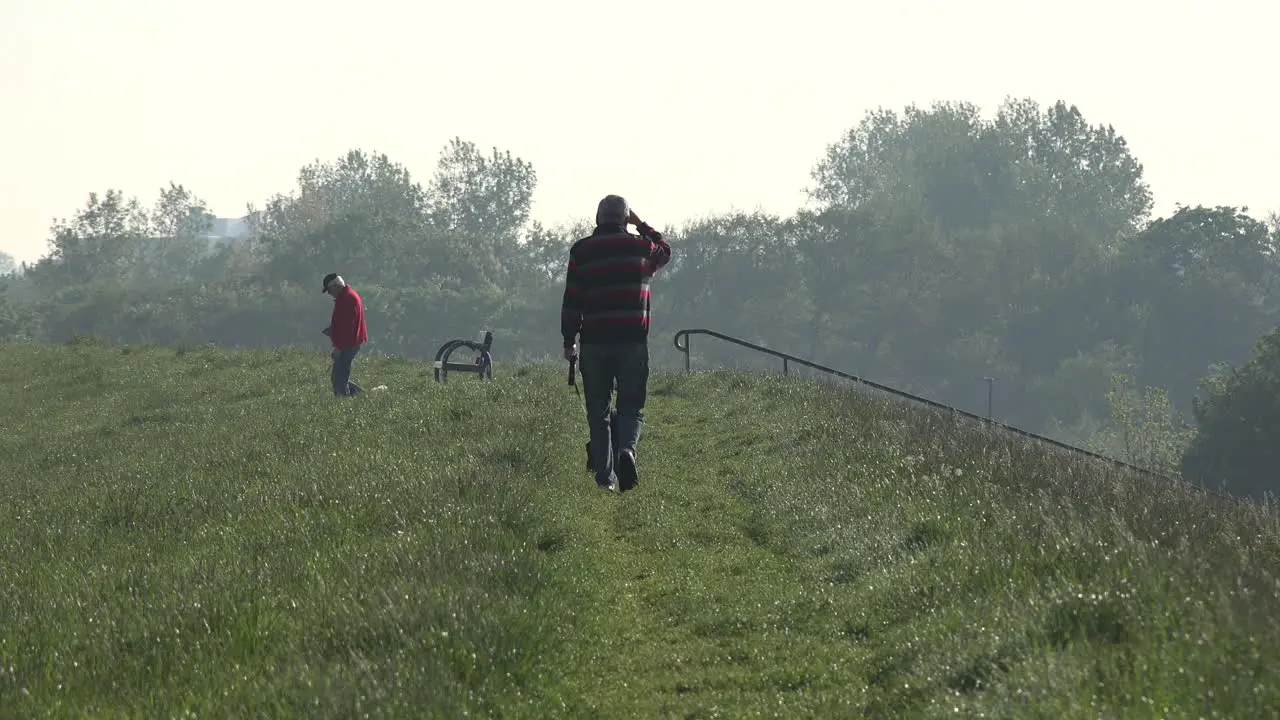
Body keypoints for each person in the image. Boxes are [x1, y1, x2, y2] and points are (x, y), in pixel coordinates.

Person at [562, 195, 672, 492]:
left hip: (595, 342)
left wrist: (568, 340)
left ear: (597, 219)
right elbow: (665, 251)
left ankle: (604, 479)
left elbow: (572, 299)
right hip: (632, 341)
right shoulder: (641, 248)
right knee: (631, 406)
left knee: (597, 410)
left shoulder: (582, 251)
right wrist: (642, 225)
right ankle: (627, 451)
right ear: (625, 220)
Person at [321, 272, 368, 397]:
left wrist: (339, 348)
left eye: (329, 290)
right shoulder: (346, 297)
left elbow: (347, 327)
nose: (330, 294)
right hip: (348, 342)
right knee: (339, 376)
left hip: (348, 344)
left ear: (336, 286)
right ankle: (362, 395)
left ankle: (344, 403)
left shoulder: (347, 299)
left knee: (339, 378)